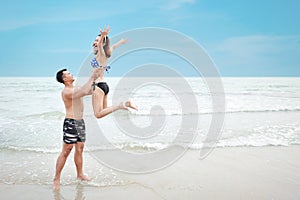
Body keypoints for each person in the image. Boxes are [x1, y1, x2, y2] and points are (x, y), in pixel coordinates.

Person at [53, 68, 100, 190]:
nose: (71, 73)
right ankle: (56, 178)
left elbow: (90, 90)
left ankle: (80, 175)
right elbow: (84, 91)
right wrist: (92, 76)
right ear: (64, 79)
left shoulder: (76, 88)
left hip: (80, 122)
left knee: (80, 148)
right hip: (71, 122)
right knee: (66, 151)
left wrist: (99, 76)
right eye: (68, 73)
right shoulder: (67, 92)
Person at [91, 25, 138, 118]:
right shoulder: (106, 54)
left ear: (103, 43)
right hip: (104, 85)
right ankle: (126, 103)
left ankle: (120, 105)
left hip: (98, 86)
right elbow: (114, 47)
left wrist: (103, 36)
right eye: (95, 40)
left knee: (98, 114)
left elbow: (100, 45)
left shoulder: (101, 54)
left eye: (97, 40)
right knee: (105, 110)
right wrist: (121, 42)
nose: (95, 42)